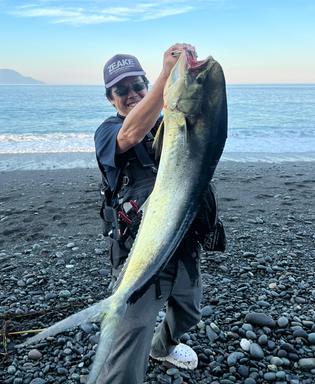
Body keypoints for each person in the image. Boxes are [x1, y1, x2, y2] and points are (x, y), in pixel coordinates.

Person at [94, 44, 223, 384]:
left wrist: (186, 86)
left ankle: (163, 347)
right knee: (130, 339)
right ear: (110, 98)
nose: (132, 94)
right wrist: (167, 76)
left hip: (183, 241)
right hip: (142, 249)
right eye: (122, 90)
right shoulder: (108, 131)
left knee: (190, 312)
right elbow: (130, 134)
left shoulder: (172, 122)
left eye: (138, 85)